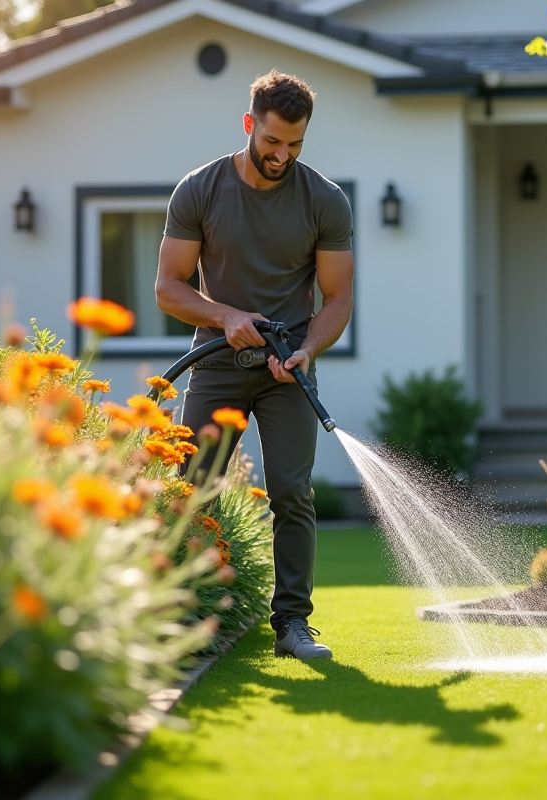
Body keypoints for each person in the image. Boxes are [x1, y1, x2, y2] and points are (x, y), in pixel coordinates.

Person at [155, 70, 354, 660]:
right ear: (250, 125)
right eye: (271, 141)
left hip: (287, 367)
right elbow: (168, 288)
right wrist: (226, 317)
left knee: (292, 492)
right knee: (196, 488)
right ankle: (187, 615)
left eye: (295, 144)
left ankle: (293, 625)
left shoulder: (324, 200)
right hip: (216, 361)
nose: (282, 155)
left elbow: (337, 297)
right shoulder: (200, 190)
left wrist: (308, 350)